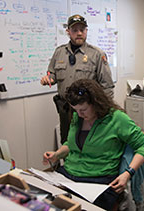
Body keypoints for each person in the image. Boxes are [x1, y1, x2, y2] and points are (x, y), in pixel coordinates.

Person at [42, 79, 144, 210]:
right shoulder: (77, 117)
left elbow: (143, 145)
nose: (79, 114)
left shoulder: (116, 118)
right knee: (44, 201)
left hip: (99, 180)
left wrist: (128, 173)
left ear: (96, 103)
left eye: (83, 109)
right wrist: (57, 154)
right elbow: (71, 145)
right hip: (68, 175)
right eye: (75, 110)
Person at [40, 14, 115, 144]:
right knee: (66, 142)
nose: (79, 33)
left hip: (87, 110)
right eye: (75, 30)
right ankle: (67, 164)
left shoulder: (96, 54)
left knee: (86, 143)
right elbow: (52, 74)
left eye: (82, 29)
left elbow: (107, 86)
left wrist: (102, 112)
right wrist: (48, 79)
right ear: (68, 32)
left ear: (86, 31)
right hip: (65, 109)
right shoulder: (59, 52)